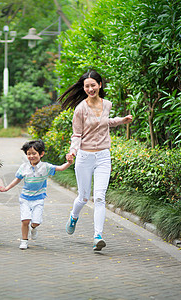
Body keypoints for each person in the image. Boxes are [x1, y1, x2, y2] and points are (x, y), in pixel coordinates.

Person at [57, 70, 133, 251]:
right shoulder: (80, 109)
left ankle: (97, 236)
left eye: (93, 85)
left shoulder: (107, 104)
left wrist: (122, 120)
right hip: (85, 157)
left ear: (100, 85)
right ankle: (73, 217)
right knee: (83, 197)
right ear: (83, 88)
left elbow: (105, 122)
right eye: (87, 86)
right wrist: (72, 151)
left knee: (99, 197)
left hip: (103, 156)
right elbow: (77, 134)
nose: (90, 89)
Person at [0, 140, 72, 250]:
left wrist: (69, 162)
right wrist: (6, 188)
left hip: (38, 199)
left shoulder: (46, 167)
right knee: (25, 220)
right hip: (25, 198)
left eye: (34, 153)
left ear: (41, 154)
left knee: (36, 222)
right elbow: (17, 180)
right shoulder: (24, 167)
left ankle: (33, 228)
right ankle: (24, 240)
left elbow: (60, 168)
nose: (31, 156)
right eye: (29, 154)